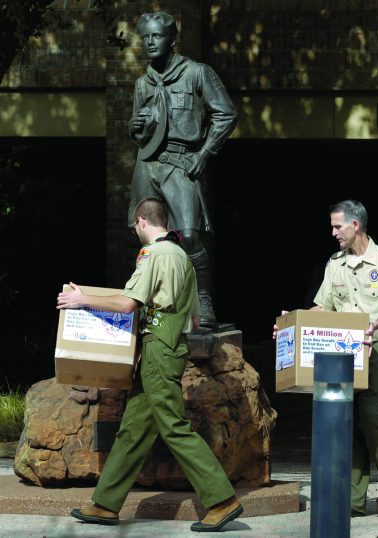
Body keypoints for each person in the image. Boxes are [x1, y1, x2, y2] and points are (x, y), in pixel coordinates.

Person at [58, 198, 241, 532]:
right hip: (170, 345)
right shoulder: (183, 256)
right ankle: (105, 504)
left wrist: (81, 298)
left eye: (134, 228)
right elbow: (197, 319)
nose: (135, 234)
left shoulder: (154, 254)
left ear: (141, 221)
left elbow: (128, 304)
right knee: (134, 429)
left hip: (159, 347)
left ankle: (221, 501)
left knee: (172, 425)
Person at [127, 11, 238, 326]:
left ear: (172, 39)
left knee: (188, 235)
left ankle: (202, 299)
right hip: (148, 165)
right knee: (146, 234)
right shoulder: (141, 83)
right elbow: (139, 136)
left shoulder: (196, 73)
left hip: (181, 161)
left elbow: (226, 114)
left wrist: (205, 153)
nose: (150, 42)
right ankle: (155, 305)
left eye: (157, 36)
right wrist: (134, 126)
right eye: (145, 37)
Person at [309, 199, 378, 516]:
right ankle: (355, 497)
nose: (332, 233)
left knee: (374, 418)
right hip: (344, 351)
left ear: (355, 225)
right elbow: (324, 307)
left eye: (337, 226)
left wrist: (376, 324)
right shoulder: (334, 264)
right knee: (346, 422)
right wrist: (295, 320)